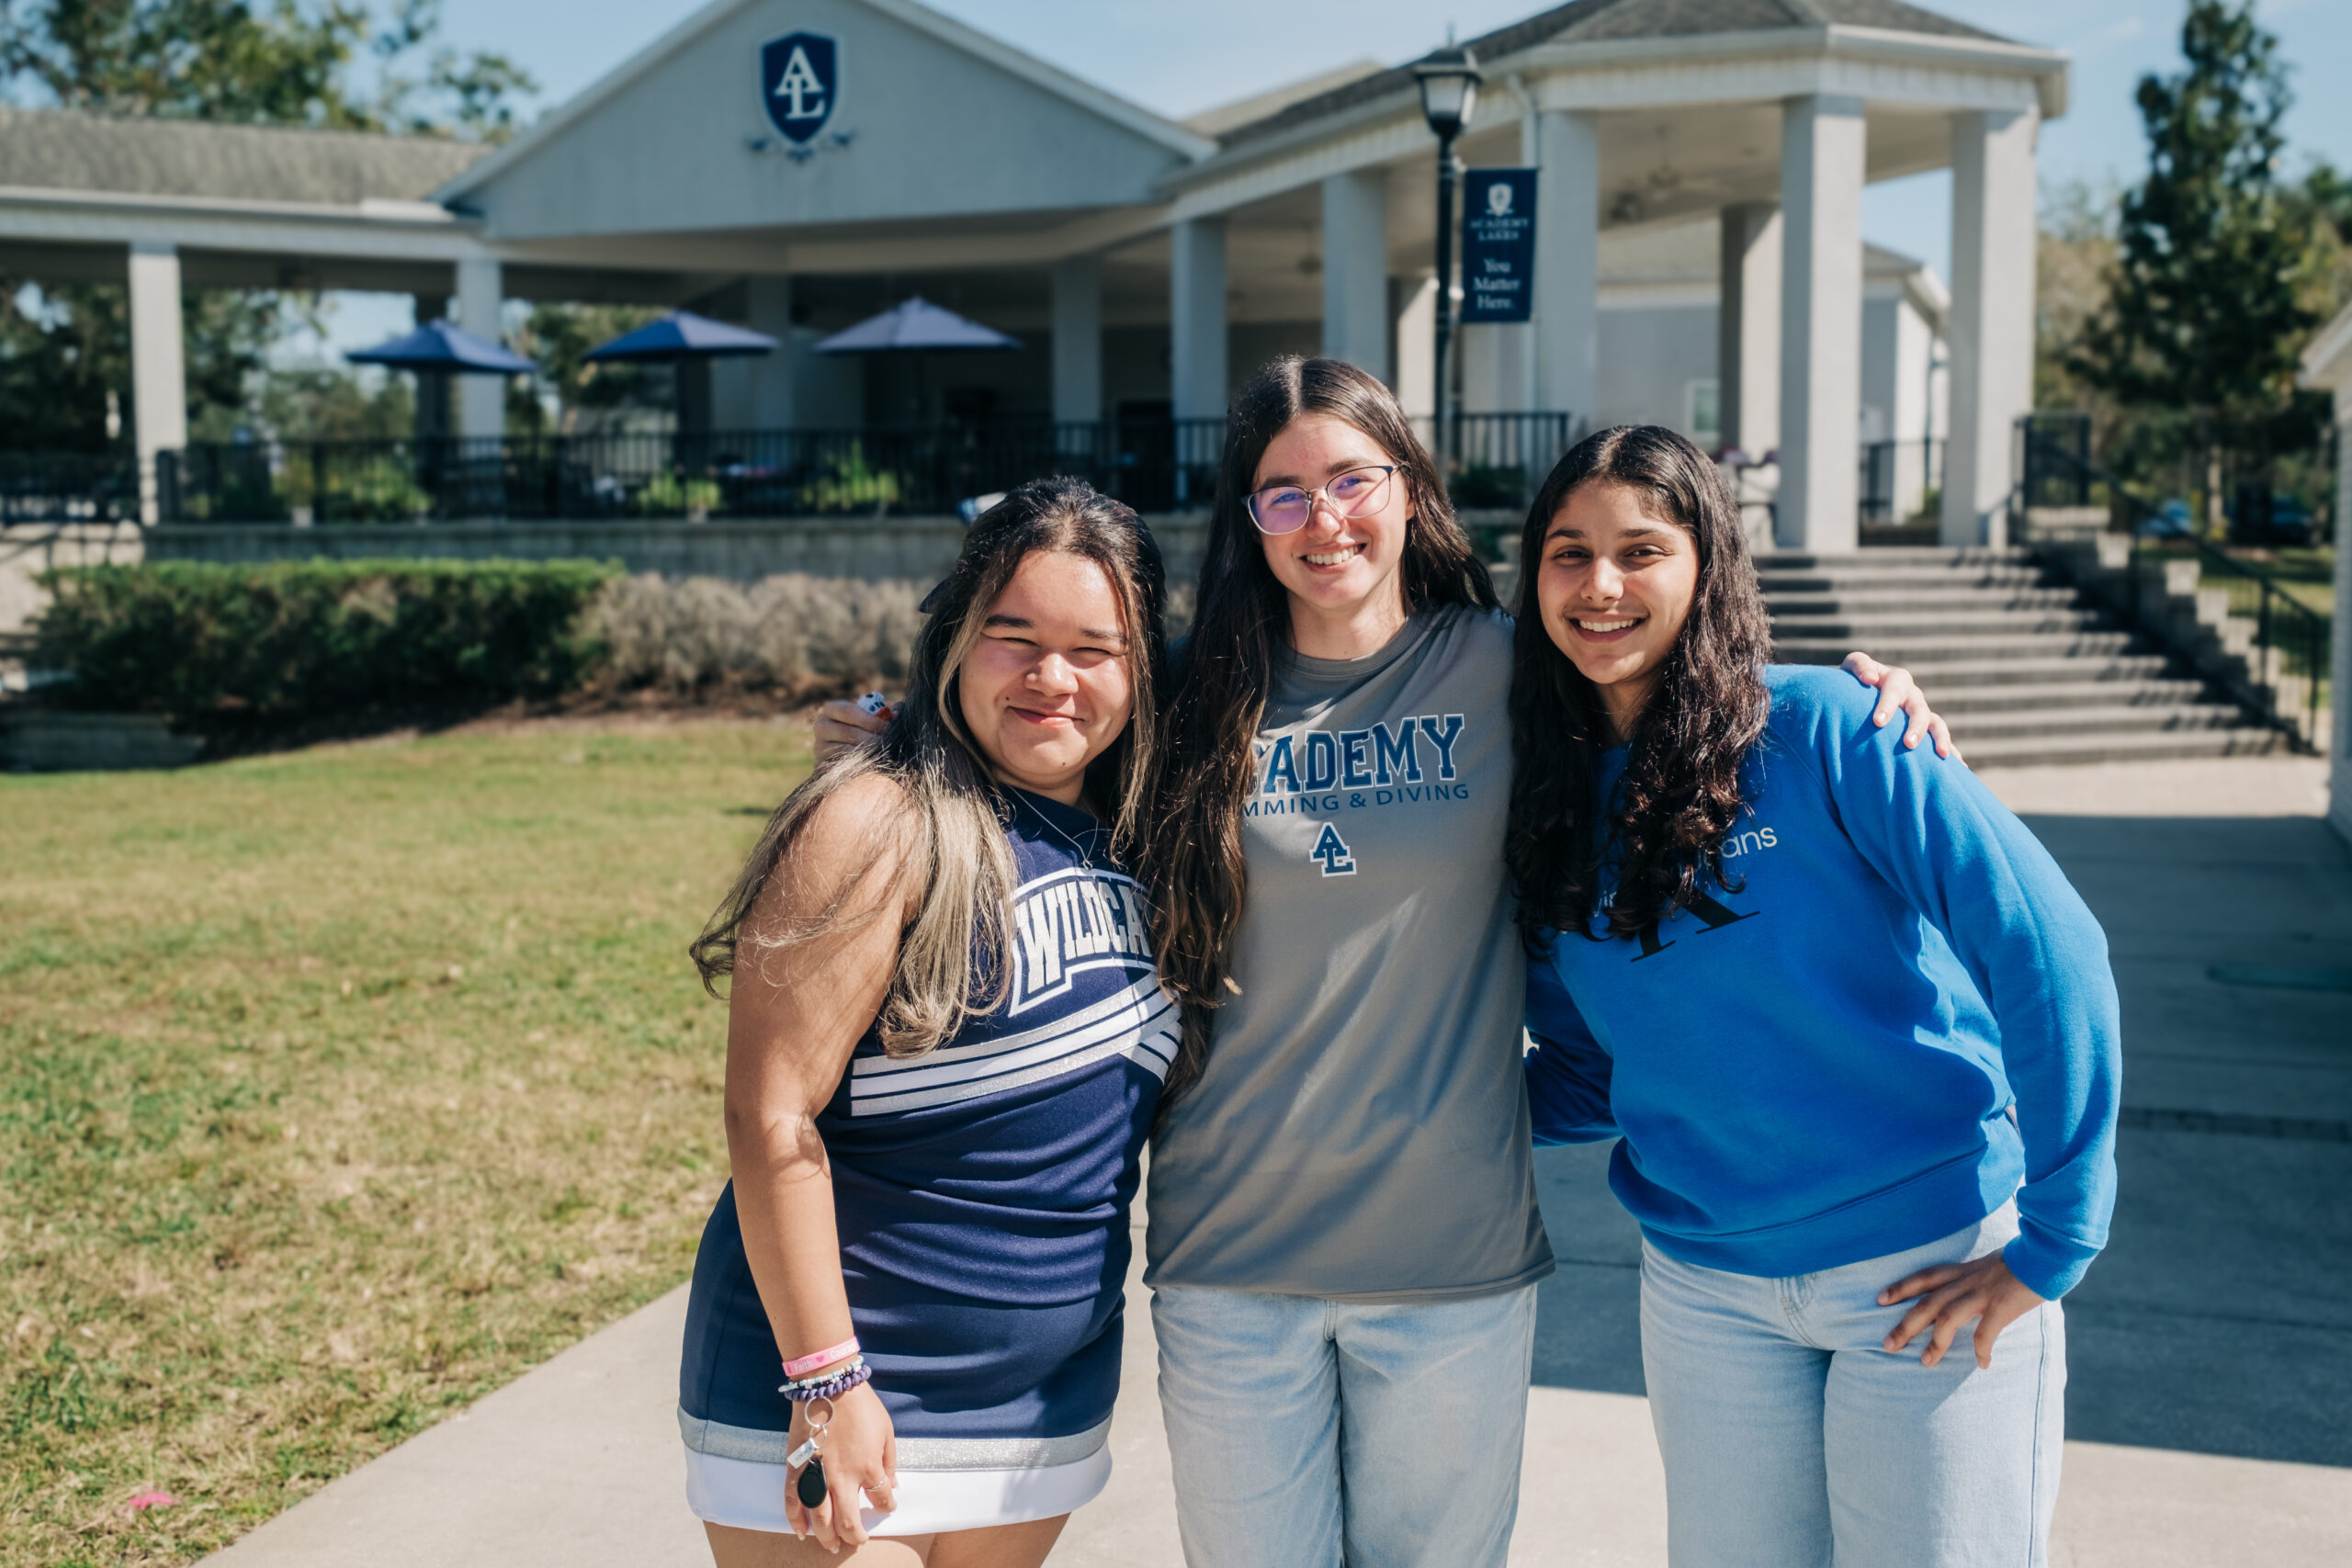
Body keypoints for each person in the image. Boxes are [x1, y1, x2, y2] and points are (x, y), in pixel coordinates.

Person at [817, 356, 1952, 1568]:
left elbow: (1682, 684)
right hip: (1230, 1259)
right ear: (1249, 521)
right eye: (1283, 493)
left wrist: (1854, 695)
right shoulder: (1192, 695)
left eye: (1351, 478)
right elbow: (1036, 719)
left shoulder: (1518, 667)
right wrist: (896, 732)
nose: (1324, 518)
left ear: (1410, 490)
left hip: (1451, 1265)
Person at [1509, 425, 2120, 1568]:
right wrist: (1390, 1103)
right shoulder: (1543, 797)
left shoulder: (1833, 728)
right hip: (1705, 1296)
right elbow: (1593, 1073)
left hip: (1926, 1269)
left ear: (1707, 564)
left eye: (1642, 551)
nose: (1600, 585)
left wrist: (2056, 1239)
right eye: (1566, 551)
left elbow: (2049, 950)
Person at [678, 478, 1175, 1568]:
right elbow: (771, 1120)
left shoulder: (1140, 835)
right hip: (841, 1379)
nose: (1053, 679)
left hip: (1042, 1394)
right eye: (1014, 638)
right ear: (953, 640)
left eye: (1096, 649)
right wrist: (827, 1380)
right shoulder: (878, 820)